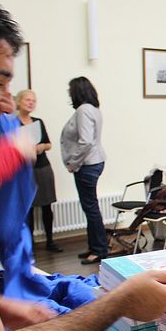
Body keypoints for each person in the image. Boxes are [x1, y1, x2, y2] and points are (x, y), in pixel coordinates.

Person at [0, 0, 166, 331]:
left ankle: (96, 247)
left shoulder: (81, 113)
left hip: (84, 167)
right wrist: (119, 301)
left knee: (88, 211)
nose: (7, 106)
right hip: (82, 167)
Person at [61, 76, 107, 265]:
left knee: (91, 208)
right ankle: (94, 246)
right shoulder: (93, 109)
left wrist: (73, 163)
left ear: (77, 92)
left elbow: (86, 141)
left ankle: (99, 250)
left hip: (87, 164)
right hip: (94, 162)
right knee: (90, 207)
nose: (69, 94)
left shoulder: (83, 110)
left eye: (71, 91)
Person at [15, 89, 61, 252]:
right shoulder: (12, 123)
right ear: (19, 102)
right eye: (27, 100)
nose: (31, 103)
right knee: (27, 208)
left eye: (33, 100)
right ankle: (30, 243)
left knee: (46, 206)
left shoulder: (38, 121)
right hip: (24, 170)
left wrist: (41, 146)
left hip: (42, 168)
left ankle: (50, 241)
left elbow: (49, 143)